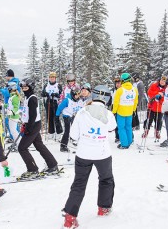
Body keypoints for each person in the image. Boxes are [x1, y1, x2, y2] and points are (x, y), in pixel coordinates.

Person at [62, 85, 117, 229]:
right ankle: (104, 208)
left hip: (83, 154)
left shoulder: (82, 112)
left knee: (79, 184)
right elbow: (112, 128)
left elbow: (73, 135)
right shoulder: (108, 114)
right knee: (106, 180)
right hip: (102, 154)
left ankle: (70, 217)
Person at [18, 78, 58, 178]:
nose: (24, 89)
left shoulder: (32, 98)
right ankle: (52, 165)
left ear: (31, 87)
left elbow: (33, 115)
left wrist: (28, 128)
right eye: (23, 87)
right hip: (32, 124)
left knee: (22, 148)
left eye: (26, 87)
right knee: (39, 145)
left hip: (33, 125)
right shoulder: (28, 97)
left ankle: (32, 170)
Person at [112, 73, 138, 149]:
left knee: (121, 128)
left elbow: (116, 102)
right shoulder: (134, 89)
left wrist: (114, 111)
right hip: (130, 111)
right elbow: (135, 101)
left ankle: (124, 144)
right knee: (128, 127)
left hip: (121, 112)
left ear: (123, 80)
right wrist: (133, 110)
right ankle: (129, 141)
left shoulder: (120, 90)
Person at [56, 87, 82, 152]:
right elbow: (59, 108)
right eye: (76, 95)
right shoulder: (67, 100)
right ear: (73, 95)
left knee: (76, 129)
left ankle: (74, 141)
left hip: (74, 116)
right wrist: (57, 116)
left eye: (78, 95)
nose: (77, 97)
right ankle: (63, 146)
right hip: (66, 116)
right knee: (67, 131)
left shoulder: (79, 100)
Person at [41, 72, 63, 140]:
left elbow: (61, 95)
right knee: (49, 117)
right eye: (51, 77)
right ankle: (51, 132)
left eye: (53, 77)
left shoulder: (58, 85)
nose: (52, 79)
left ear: (55, 78)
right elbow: (42, 94)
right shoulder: (46, 85)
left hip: (55, 102)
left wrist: (56, 95)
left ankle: (59, 132)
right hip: (48, 102)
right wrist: (45, 94)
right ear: (49, 78)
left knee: (56, 117)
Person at [111, 77, 122, 142]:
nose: (117, 84)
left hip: (121, 106)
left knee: (121, 123)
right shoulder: (113, 90)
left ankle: (122, 136)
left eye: (119, 83)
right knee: (116, 123)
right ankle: (117, 136)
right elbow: (110, 99)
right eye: (116, 83)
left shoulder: (122, 90)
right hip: (114, 106)